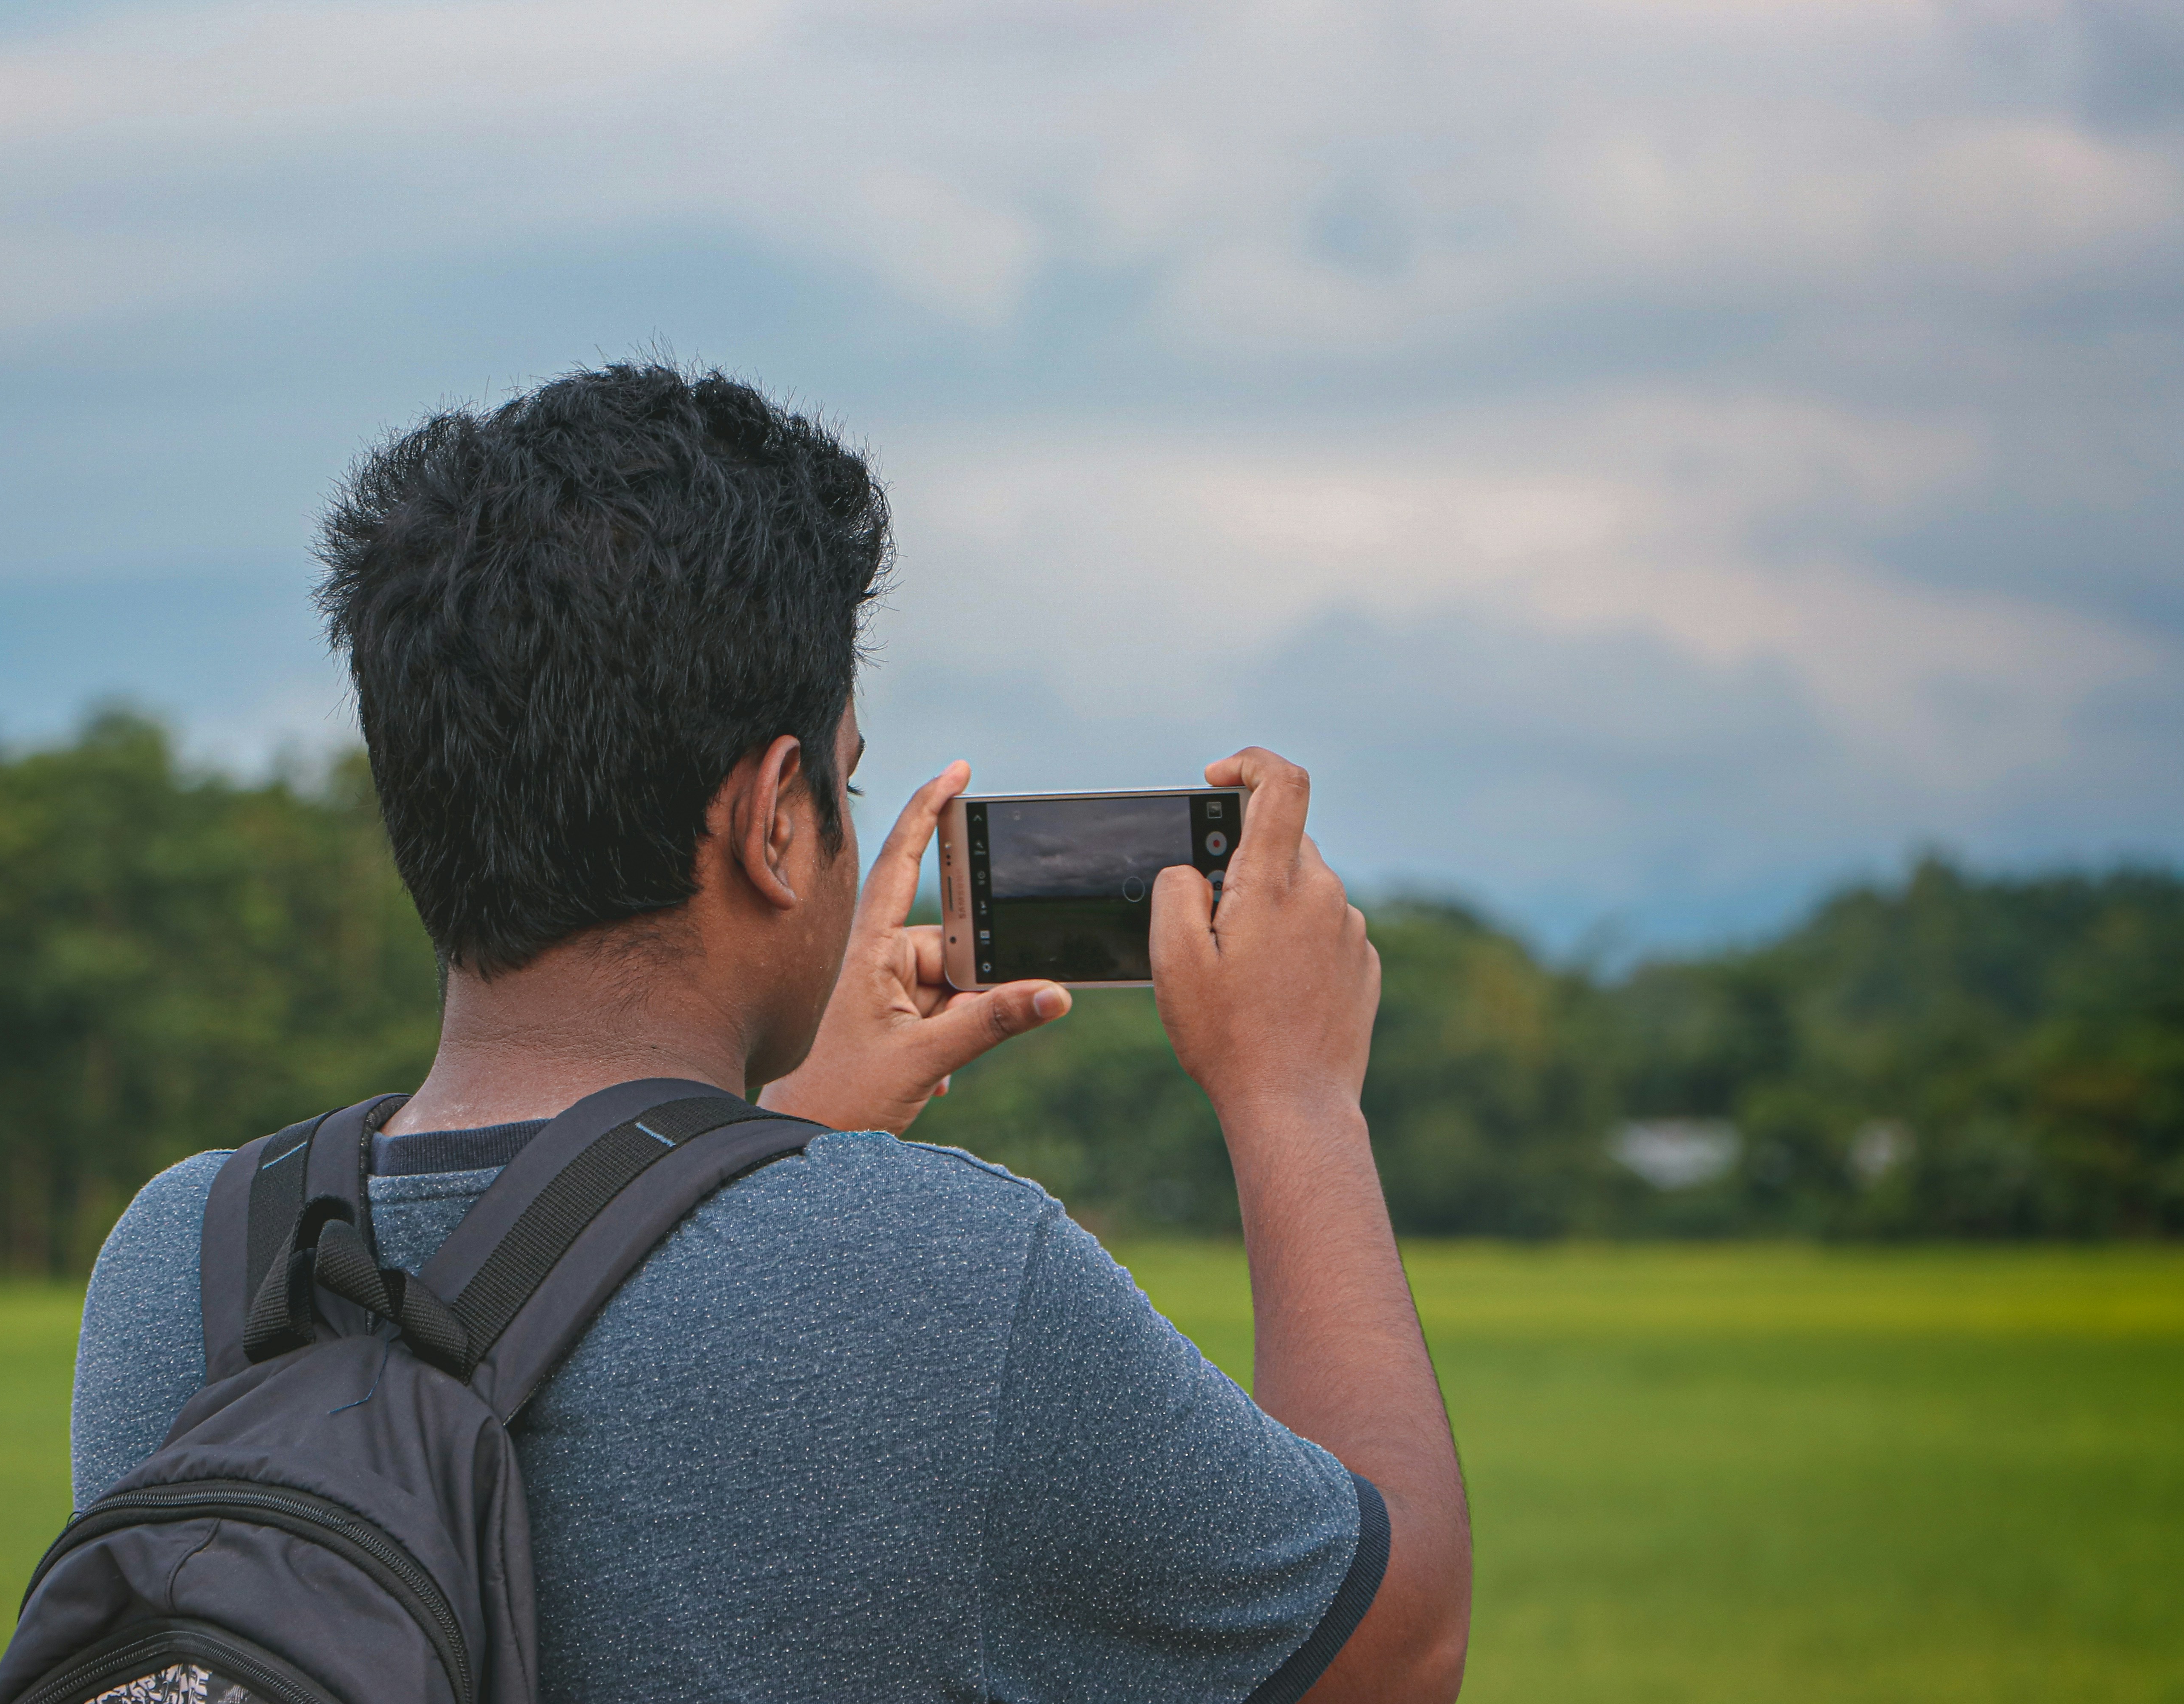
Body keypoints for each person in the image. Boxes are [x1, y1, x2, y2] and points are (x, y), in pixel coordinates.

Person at [71, 363, 1472, 1703]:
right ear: (775, 820)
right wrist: (1294, 1092)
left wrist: (755, 1147)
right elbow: (1389, 1652)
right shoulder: (949, 1275)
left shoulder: (184, 1256)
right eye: (845, 786)